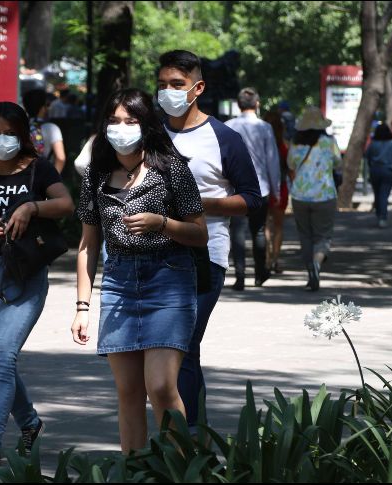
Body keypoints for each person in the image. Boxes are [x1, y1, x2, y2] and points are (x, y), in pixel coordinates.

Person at [72, 88, 208, 453]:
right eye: (114, 121)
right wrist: (82, 307)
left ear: (146, 125)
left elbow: (199, 233)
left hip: (168, 279)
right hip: (118, 282)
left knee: (161, 387)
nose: (121, 128)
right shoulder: (96, 174)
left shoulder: (171, 168)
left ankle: (182, 470)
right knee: (128, 391)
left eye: (130, 121)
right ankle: (133, 470)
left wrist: (161, 223)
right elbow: (88, 243)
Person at [0, 101, 74, 467]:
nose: (2, 139)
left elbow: (66, 204)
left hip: (25, 273)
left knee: (1, 356)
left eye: (10, 133)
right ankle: (30, 424)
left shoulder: (38, 170)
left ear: (23, 135)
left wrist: (30, 207)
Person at [157, 50, 262, 431]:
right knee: (167, 352)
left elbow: (252, 198)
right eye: (163, 84)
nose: (168, 92)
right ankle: (183, 443)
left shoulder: (224, 138)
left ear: (197, 88)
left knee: (182, 348)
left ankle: (188, 442)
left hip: (205, 256)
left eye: (177, 85)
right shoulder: (149, 134)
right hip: (151, 255)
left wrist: (201, 203)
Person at [225, 88, 280, 289]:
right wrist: (276, 189)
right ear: (257, 104)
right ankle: (260, 273)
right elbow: (272, 160)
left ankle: (240, 277)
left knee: (237, 232)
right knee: (258, 230)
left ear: (239, 105)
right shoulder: (265, 128)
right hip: (261, 188)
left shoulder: (228, 126)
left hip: (235, 189)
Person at [287, 107, 342, 292]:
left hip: (300, 195)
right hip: (325, 194)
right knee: (323, 235)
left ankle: (310, 271)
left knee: (305, 235)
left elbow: (290, 164)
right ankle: (317, 264)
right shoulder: (329, 142)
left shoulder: (296, 143)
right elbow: (338, 162)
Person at [262, 111, 289, 274]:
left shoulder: (262, 145)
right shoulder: (284, 145)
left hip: (264, 188)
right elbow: (289, 166)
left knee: (264, 226)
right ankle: (276, 260)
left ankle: (267, 257)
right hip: (281, 187)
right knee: (278, 226)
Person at [365, 124, 392, 228]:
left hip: (375, 170)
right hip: (388, 170)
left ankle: (379, 214)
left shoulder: (373, 143)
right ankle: (383, 217)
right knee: (384, 194)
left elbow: (367, 156)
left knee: (377, 194)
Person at [21, 89, 67, 173]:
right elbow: (60, 158)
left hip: (23, 176)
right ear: (43, 108)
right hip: (45, 175)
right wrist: (54, 179)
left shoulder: (20, 127)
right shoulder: (52, 128)